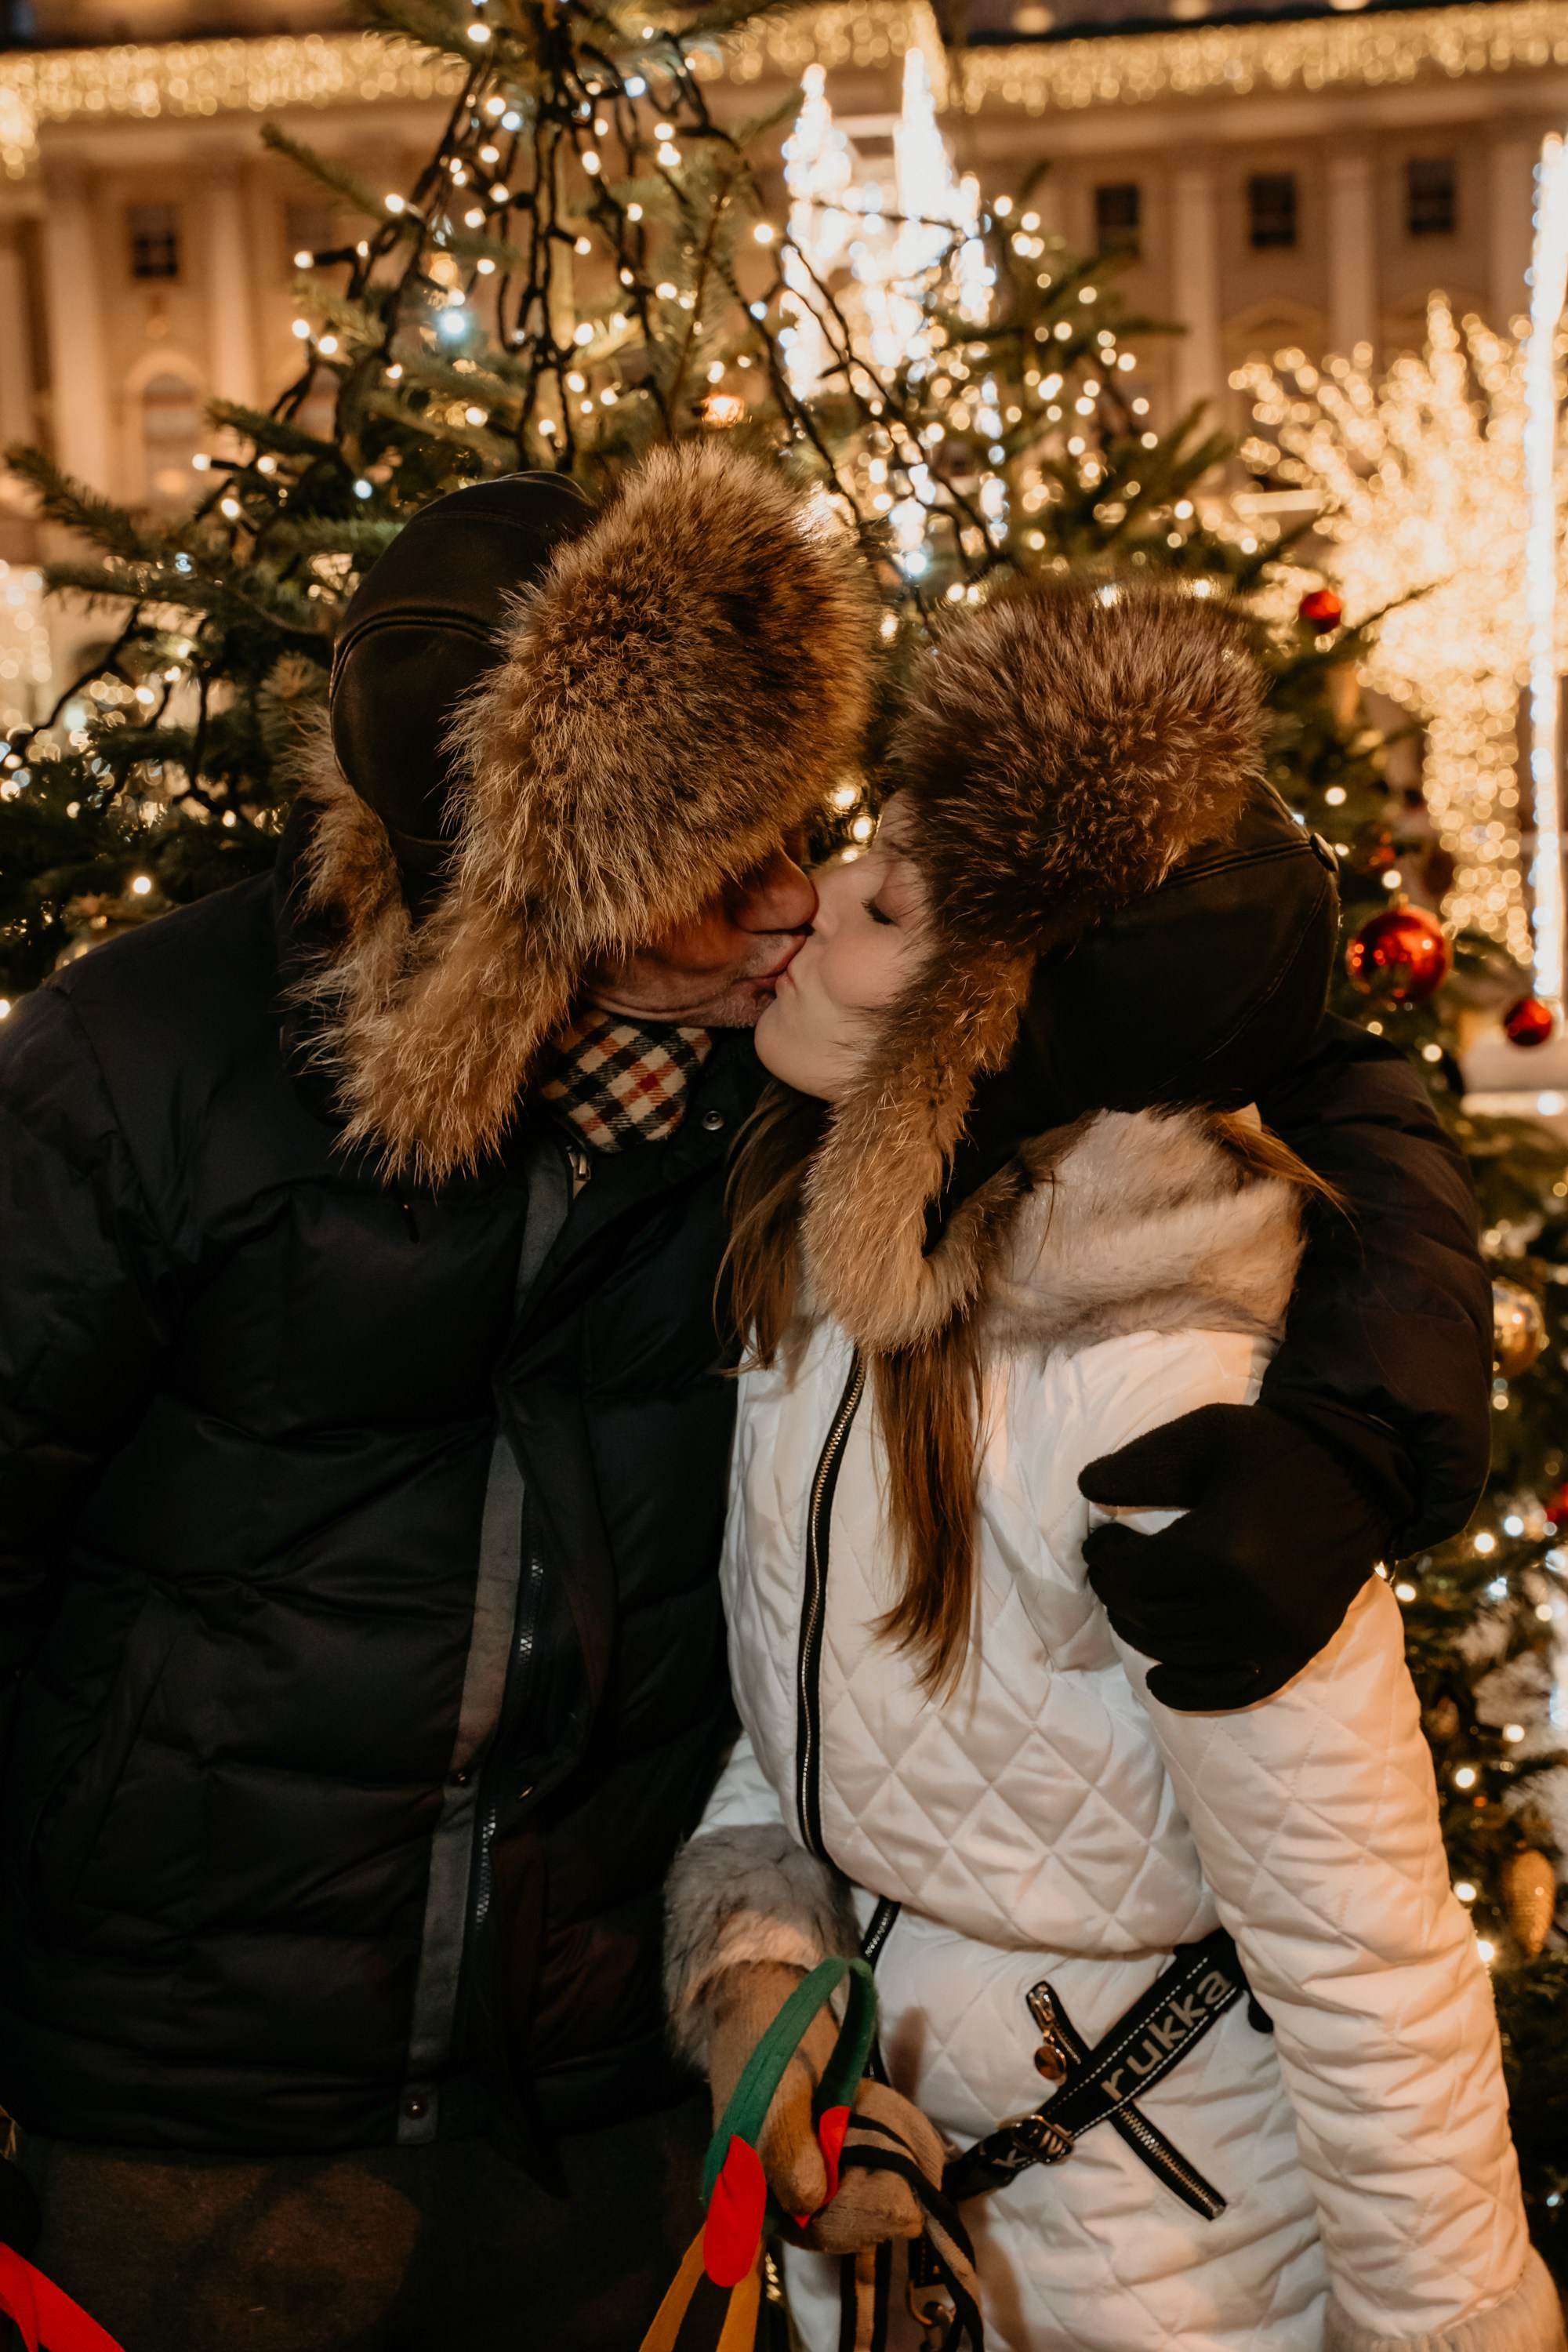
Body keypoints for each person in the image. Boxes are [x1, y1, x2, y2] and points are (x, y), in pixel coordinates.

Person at [0, 444, 1489, 2352]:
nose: (789, 903)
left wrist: (1365, 1425)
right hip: (200, 2119)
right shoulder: (141, 1073)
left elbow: (1280, 1064)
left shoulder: (790, 1111)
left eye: (802, 839)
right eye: (718, 881)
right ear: (538, 905)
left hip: (622, 2113)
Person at [665, 581, 1557, 2352]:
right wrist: (759, 1967)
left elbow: (1365, 1961)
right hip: (906, 2240)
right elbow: (812, 1729)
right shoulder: (828, 1309)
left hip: (1175, 2268)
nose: (813, 895)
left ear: (986, 1032)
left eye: (891, 897)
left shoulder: (1161, 1393)